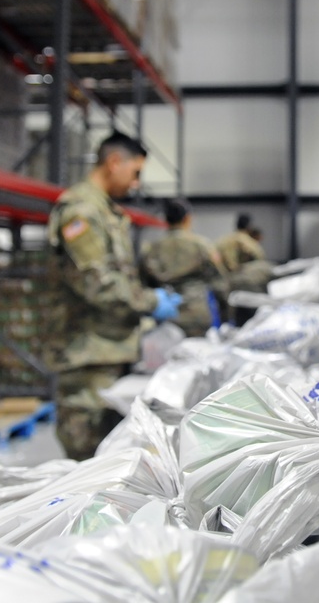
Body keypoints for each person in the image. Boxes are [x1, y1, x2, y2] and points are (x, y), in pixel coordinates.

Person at [47, 131, 182, 460]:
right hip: (88, 358)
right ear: (113, 162)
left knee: (112, 458)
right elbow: (98, 283)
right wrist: (151, 303)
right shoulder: (82, 212)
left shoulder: (105, 212)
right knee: (88, 460)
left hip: (108, 352)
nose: (136, 184)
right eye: (135, 173)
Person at [140, 198, 229, 337]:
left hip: (166, 316)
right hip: (197, 316)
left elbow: (144, 285)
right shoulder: (202, 246)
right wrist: (225, 318)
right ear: (188, 219)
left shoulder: (151, 249)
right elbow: (220, 285)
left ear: (166, 220)